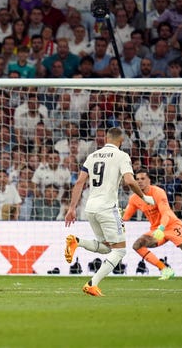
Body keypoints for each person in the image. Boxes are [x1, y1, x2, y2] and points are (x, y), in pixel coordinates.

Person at [64, 127, 155, 297]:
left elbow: (80, 182)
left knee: (107, 248)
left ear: (106, 138)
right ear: (121, 141)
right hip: (107, 208)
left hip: (90, 207)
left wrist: (71, 208)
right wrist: (144, 197)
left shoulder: (92, 156)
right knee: (120, 251)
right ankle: (92, 284)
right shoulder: (122, 156)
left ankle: (77, 241)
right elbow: (129, 180)